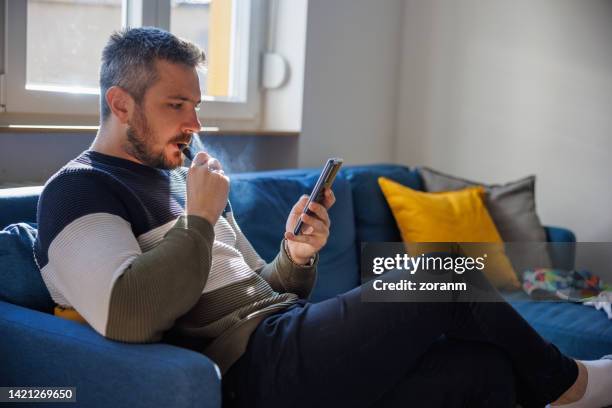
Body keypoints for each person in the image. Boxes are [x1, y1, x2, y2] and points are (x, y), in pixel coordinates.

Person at [33, 27, 612, 408]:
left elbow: (263, 290)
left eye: (197, 106)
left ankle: (552, 383)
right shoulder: (79, 191)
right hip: (251, 371)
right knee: (442, 269)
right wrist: (201, 221)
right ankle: (574, 385)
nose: (195, 124)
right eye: (176, 105)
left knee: (483, 371)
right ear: (119, 103)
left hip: (287, 336)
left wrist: (297, 257)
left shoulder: (186, 182)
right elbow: (127, 315)